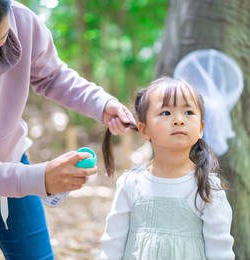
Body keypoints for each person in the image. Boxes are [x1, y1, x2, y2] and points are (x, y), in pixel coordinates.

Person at [0, 0, 135, 259]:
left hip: (10, 158)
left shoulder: (21, 20)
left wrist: (101, 103)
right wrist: (37, 179)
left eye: (3, 38)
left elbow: (52, 76)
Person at [100, 76, 235, 260]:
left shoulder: (207, 187)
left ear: (201, 128)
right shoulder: (131, 182)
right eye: (165, 113)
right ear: (144, 130)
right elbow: (112, 244)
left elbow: (220, 250)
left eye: (188, 112)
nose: (179, 120)